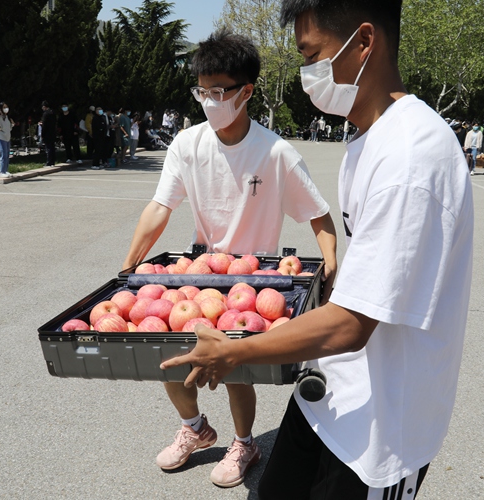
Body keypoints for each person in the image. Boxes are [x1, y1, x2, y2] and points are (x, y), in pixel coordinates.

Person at [161, 2, 475, 498]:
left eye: (311, 56)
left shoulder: (411, 157)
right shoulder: (368, 139)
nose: (307, 74)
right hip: (330, 392)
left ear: (364, 42)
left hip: (381, 428)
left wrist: (234, 350)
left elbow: (351, 324)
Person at [122, 29, 337, 489]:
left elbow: (318, 214)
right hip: (200, 272)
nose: (209, 101)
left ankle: (244, 442)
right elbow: (160, 207)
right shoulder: (187, 145)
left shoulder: (275, 153)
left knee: (236, 370)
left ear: (247, 92)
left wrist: (330, 265)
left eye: (219, 92)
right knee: (169, 355)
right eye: (202, 91)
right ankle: (195, 428)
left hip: (255, 281)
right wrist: (128, 266)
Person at [40, 101, 57, 167]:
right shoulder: (53, 113)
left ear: (44, 107)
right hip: (53, 132)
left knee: (48, 148)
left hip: (47, 133)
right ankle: (53, 161)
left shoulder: (45, 114)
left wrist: (42, 134)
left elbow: (44, 125)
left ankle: (49, 162)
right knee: (52, 147)